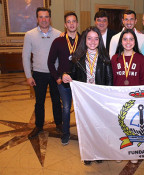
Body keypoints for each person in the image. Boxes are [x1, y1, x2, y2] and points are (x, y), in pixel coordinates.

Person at [62, 26, 113, 165]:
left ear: (99, 41)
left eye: (96, 39)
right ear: (85, 40)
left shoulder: (104, 58)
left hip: (99, 99)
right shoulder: (76, 58)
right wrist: (65, 77)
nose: (92, 41)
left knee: (99, 126)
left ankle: (99, 151)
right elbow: (70, 78)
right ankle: (89, 154)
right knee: (86, 127)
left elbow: (109, 81)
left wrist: (106, 100)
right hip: (84, 99)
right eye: (89, 38)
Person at [22, 7, 62, 139]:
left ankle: (59, 124)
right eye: (41, 17)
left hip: (55, 74)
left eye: (46, 17)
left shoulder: (59, 34)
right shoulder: (29, 34)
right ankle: (38, 126)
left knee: (57, 101)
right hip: (38, 74)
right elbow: (25, 56)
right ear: (37, 18)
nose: (44, 20)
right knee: (39, 102)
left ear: (50, 18)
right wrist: (28, 75)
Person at [111, 29, 144, 164]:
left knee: (134, 127)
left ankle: (133, 151)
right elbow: (112, 80)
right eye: (125, 39)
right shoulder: (115, 58)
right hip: (119, 98)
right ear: (121, 41)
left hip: (135, 99)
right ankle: (120, 151)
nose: (128, 42)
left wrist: (142, 98)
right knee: (119, 126)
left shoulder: (140, 58)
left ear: (135, 41)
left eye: (131, 39)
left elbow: (143, 79)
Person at [47, 12, 80, 146]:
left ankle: (85, 135)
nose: (71, 24)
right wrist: (57, 78)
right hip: (64, 81)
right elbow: (50, 62)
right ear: (65, 24)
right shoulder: (58, 41)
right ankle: (65, 134)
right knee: (66, 108)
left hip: (79, 82)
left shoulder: (84, 39)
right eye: (69, 21)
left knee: (81, 110)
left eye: (74, 21)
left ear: (77, 23)